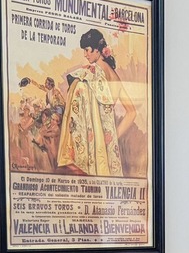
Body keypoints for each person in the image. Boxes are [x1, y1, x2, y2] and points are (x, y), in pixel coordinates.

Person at [56, 28, 139, 176]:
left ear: (98, 50)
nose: (85, 54)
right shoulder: (115, 77)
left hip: (93, 147)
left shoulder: (91, 72)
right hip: (107, 148)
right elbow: (132, 113)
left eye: (87, 50)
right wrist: (112, 137)